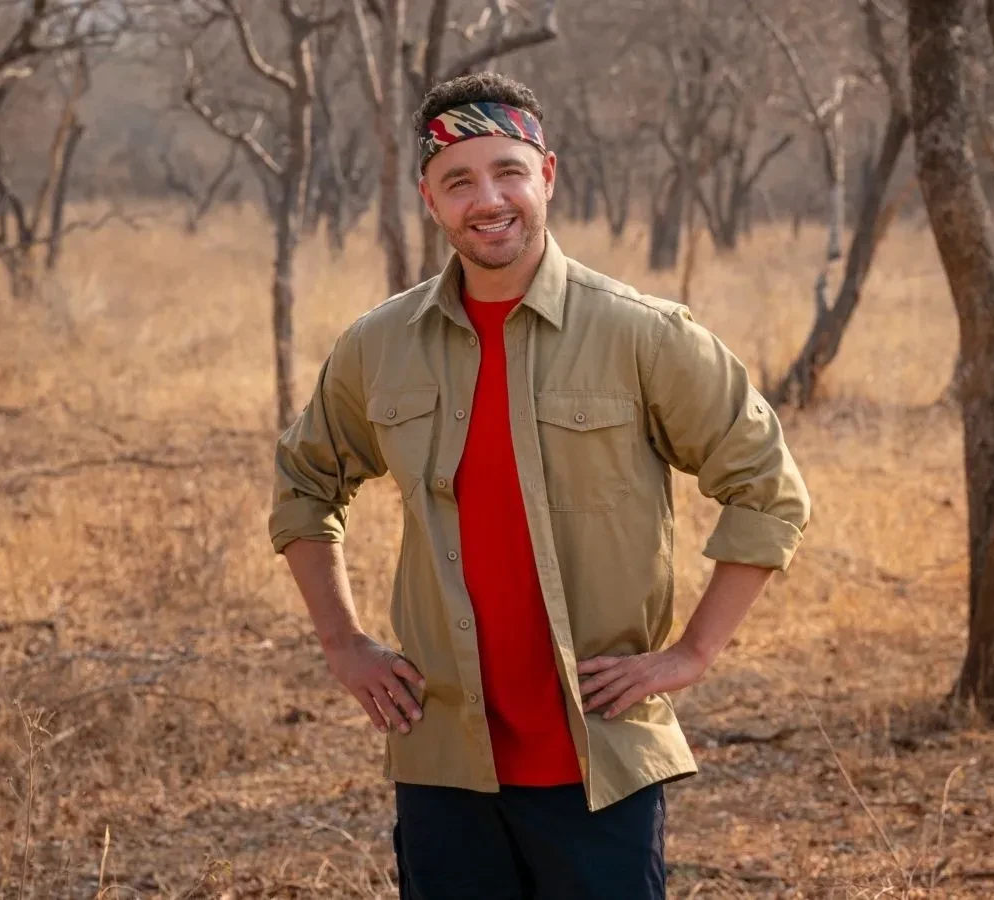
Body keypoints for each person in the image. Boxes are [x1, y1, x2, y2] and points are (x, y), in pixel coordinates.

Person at [267, 71, 811, 899]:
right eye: (459, 180)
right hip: (443, 758)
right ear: (429, 198)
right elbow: (305, 481)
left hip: (597, 759)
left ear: (547, 175)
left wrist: (692, 654)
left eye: (508, 172)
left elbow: (767, 485)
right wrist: (343, 644)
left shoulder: (643, 334)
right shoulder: (379, 345)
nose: (488, 200)